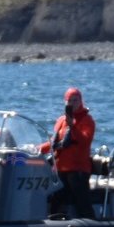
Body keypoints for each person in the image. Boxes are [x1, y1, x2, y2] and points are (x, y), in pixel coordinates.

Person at [41, 87, 96, 219]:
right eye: (69, 100)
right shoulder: (61, 121)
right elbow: (54, 143)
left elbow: (85, 141)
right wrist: (36, 149)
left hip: (78, 171)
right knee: (56, 201)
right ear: (65, 102)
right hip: (60, 169)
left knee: (83, 203)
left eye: (75, 100)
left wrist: (73, 127)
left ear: (81, 101)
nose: (72, 103)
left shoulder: (87, 120)